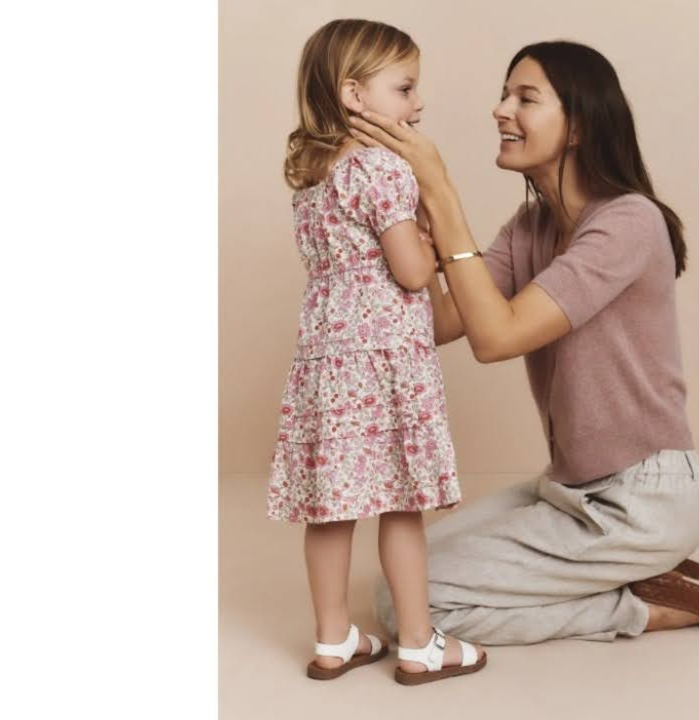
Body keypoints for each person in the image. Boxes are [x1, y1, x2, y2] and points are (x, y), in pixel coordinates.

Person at [347, 40, 699, 646]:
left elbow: (496, 338)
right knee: (401, 578)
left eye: (525, 98)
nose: (500, 110)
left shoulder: (629, 222)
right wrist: (408, 227)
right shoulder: (531, 228)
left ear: (578, 126)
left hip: (642, 502)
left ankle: (644, 606)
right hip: (565, 488)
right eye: (504, 95)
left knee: (404, 606)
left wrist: (440, 191)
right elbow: (436, 325)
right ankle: (629, 580)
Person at [266, 18, 486, 684]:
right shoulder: (383, 168)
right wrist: (431, 240)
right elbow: (411, 273)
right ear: (354, 94)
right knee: (400, 502)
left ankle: (333, 638)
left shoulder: (314, 178)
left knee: (331, 507)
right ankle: (418, 643)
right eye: (405, 87)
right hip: (384, 362)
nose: (418, 103)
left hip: (327, 362)